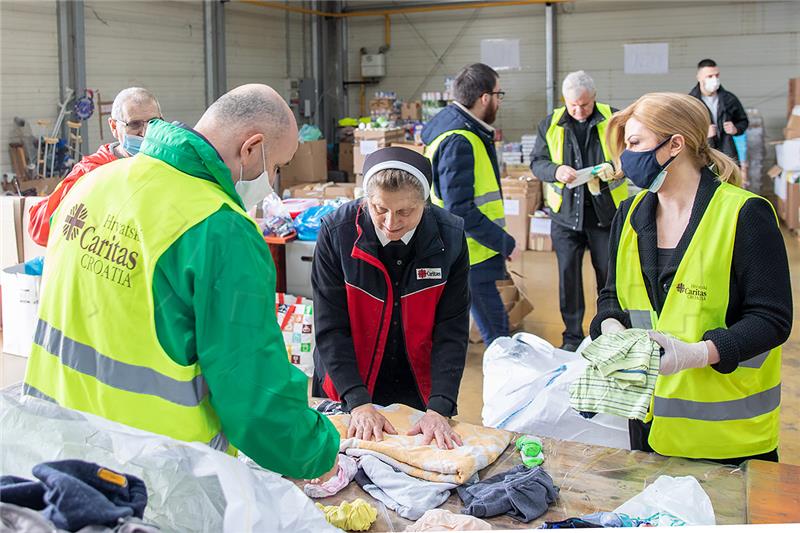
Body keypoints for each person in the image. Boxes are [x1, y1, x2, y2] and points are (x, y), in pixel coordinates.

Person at [23, 84, 340, 481]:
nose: (272, 180)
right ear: (250, 147)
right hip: (154, 476)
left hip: (55, 450)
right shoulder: (220, 229)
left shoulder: (94, 183)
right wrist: (319, 451)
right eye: (277, 165)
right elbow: (255, 394)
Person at [590, 92, 791, 464]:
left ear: (675, 144)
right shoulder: (629, 214)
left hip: (728, 436)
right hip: (648, 423)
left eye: (634, 144)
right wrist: (611, 328)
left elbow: (772, 320)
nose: (624, 160)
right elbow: (611, 296)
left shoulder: (744, 214)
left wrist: (699, 354)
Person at [312, 147, 470, 450]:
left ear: (424, 204)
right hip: (348, 378)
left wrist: (440, 406)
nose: (390, 223)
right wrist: (357, 401)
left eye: (405, 212)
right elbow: (330, 326)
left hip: (416, 380)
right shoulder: (337, 232)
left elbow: (452, 327)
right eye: (379, 209)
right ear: (366, 200)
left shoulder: (449, 237)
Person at [421, 63, 521, 347]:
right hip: (472, 253)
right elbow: (460, 208)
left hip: (459, 248)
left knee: (454, 323)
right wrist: (504, 242)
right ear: (485, 98)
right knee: (498, 334)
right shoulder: (460, 140)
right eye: (499, 94)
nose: (500, 101)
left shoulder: (454, 126)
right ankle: (506, 384)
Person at [530, 71, 628, 351]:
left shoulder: (615, 119)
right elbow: (537, 162)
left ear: (594, 98)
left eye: (584, 105)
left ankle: (606, 331)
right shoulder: (550, 124)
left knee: (608, 277)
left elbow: (631, 154)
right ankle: (572, 336)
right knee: (568, 278)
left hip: (604, 215)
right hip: (565, 217)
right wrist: (555, 170)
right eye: (573, 105)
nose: (578, 110)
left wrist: (617, 170)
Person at [28, 87, 163, 246]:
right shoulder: (92, 171)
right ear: (113, 127)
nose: (145, 133)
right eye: (134, 125)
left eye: (154, 123)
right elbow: (40, 227)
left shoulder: (170, 165)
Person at [689, 58, 748, 162]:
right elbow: (685, 129)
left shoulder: (729, 99)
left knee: (728, 178)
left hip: (727, 152)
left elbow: (743, 121)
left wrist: (736, 129)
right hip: (702, 154)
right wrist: (703, 134)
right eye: (710, 76)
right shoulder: (691, 102)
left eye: (717, 75)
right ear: (699, 77)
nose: (714, 79)